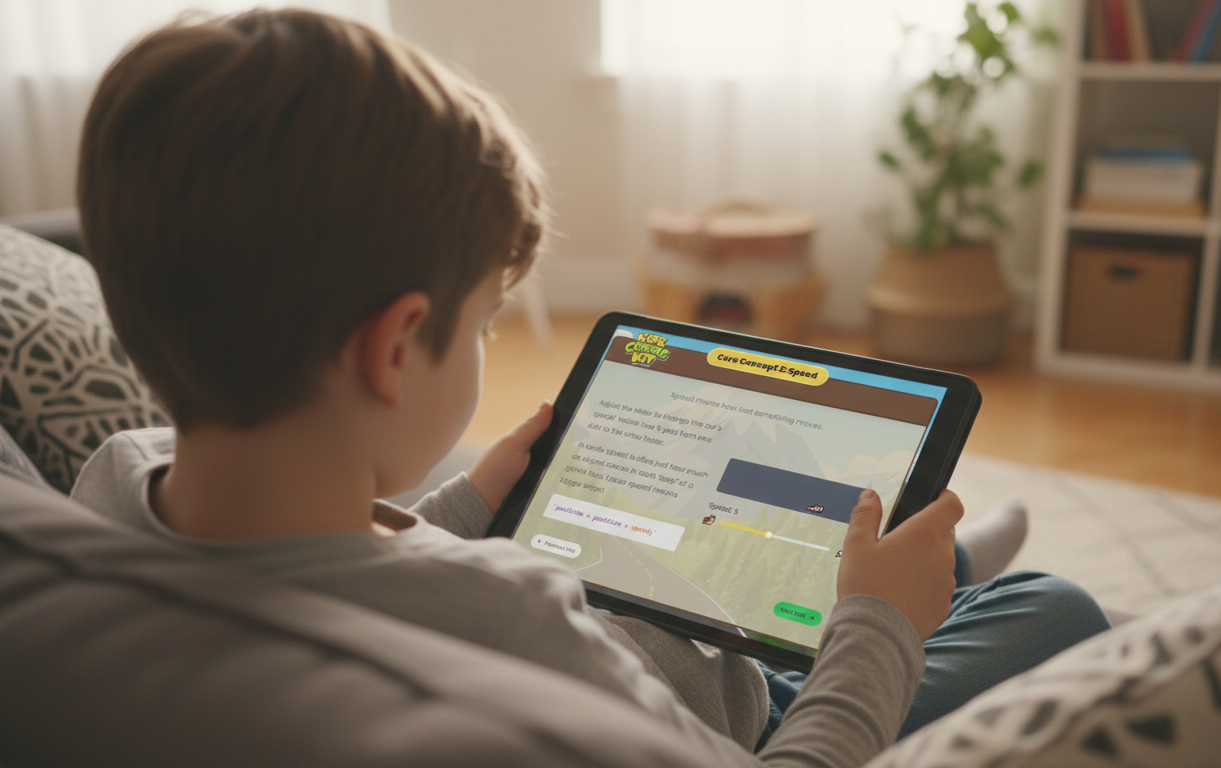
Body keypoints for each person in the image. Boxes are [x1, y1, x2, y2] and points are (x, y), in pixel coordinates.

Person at [69, 9, 1109, 767]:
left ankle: (924, 573)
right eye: (486, 321)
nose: (487, 341)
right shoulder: (508, 615)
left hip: (642, 646)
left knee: (725, 558)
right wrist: (875, 630)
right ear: (395, 350)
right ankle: (912, 593)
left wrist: (466, 505)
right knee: (1051, 607)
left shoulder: (114, 482)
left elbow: (342, 567)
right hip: (747, 714)